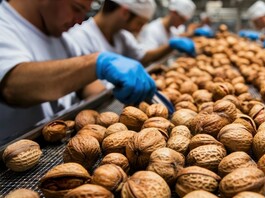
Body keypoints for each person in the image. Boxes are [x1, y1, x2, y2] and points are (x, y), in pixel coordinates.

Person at [0, 0, 155, 141]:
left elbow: (85, 85)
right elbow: (13, 87)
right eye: (77, 8)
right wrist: (95, 63)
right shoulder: (5, 26)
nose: (81, 21)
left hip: (58, 142)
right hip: (11, 158)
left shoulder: (63, 40)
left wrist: (115, 96)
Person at [68, 0, 196, 67]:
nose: (140, 29)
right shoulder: (78, 38)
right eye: (140, 23)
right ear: (125, 13)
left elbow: (142, 56)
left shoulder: (122, 36)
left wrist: (170, 46)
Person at [138, 0, 210, 53]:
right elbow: (146, 56)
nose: (182, 23)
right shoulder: (152, 30)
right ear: (173, 13)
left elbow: (180, 36)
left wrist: (194, 33)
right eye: (181, 19)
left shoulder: (174, 28)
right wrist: (170, 46)